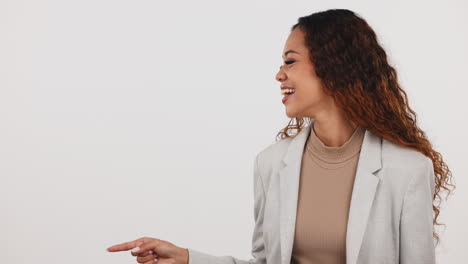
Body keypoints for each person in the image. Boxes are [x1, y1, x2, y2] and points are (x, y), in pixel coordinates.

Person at [106, 8, 454, 264]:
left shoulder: (408, 170)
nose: (278, 74)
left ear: (334, 64)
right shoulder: (271, 164)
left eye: (290, 61)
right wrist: (188, 258)